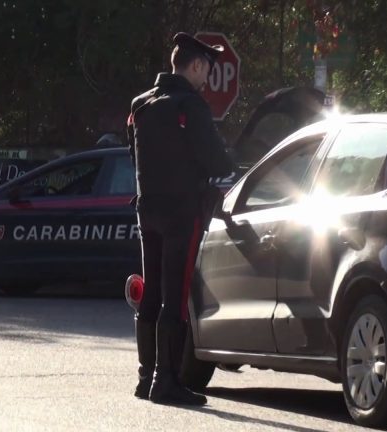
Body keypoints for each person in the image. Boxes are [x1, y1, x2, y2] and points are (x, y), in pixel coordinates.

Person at [126, 32, 233, 405]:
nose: (207, 79)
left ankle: (145, 377)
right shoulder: (190, 105)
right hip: (181, 213)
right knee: (176, 294)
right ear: (196, 66)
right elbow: (217, 161)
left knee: (151, 292)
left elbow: (133, 158)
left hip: (147, 208)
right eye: (206, 70)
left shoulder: (141, 105)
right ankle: (166, 381)